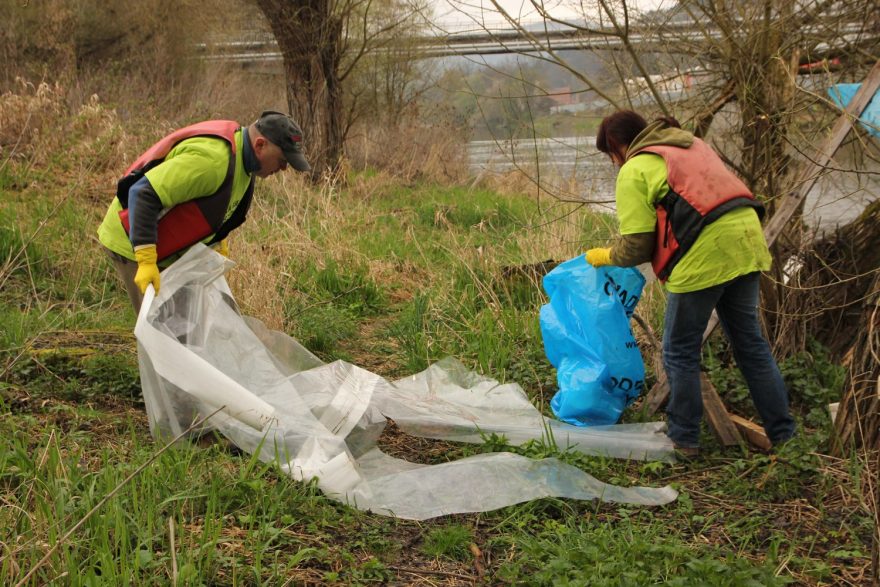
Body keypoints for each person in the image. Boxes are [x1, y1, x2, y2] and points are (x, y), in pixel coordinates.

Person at [586, 110, 796, 456]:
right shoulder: (691, 144)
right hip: (746, 241)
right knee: (750, 345)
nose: (613, 163)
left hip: (705, 255)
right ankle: (784, 435)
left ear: (617, 147)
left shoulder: (635, 169)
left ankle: (683, 438)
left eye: (610, 155)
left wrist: (604, 256)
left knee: (679, 350)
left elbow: (637, 245)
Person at [97, 111, 310, 313]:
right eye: (283, 161)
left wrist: (217, 243)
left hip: (168, 247)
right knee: (161, 332)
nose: (283, 169)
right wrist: (145, 261)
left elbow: (215, 205)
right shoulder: (212, 162)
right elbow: (142, 194)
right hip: (133, 239)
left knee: (185, 329)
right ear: (260, 145)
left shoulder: (246, 163)